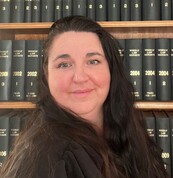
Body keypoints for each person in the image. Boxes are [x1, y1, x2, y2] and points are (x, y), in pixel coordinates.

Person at [0, 16, 168, 178]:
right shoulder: (50, 160)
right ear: (46, 74)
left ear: (111, 69)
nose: (79, 77)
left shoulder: (127, 130)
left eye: (93, 61)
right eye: (64, 64)